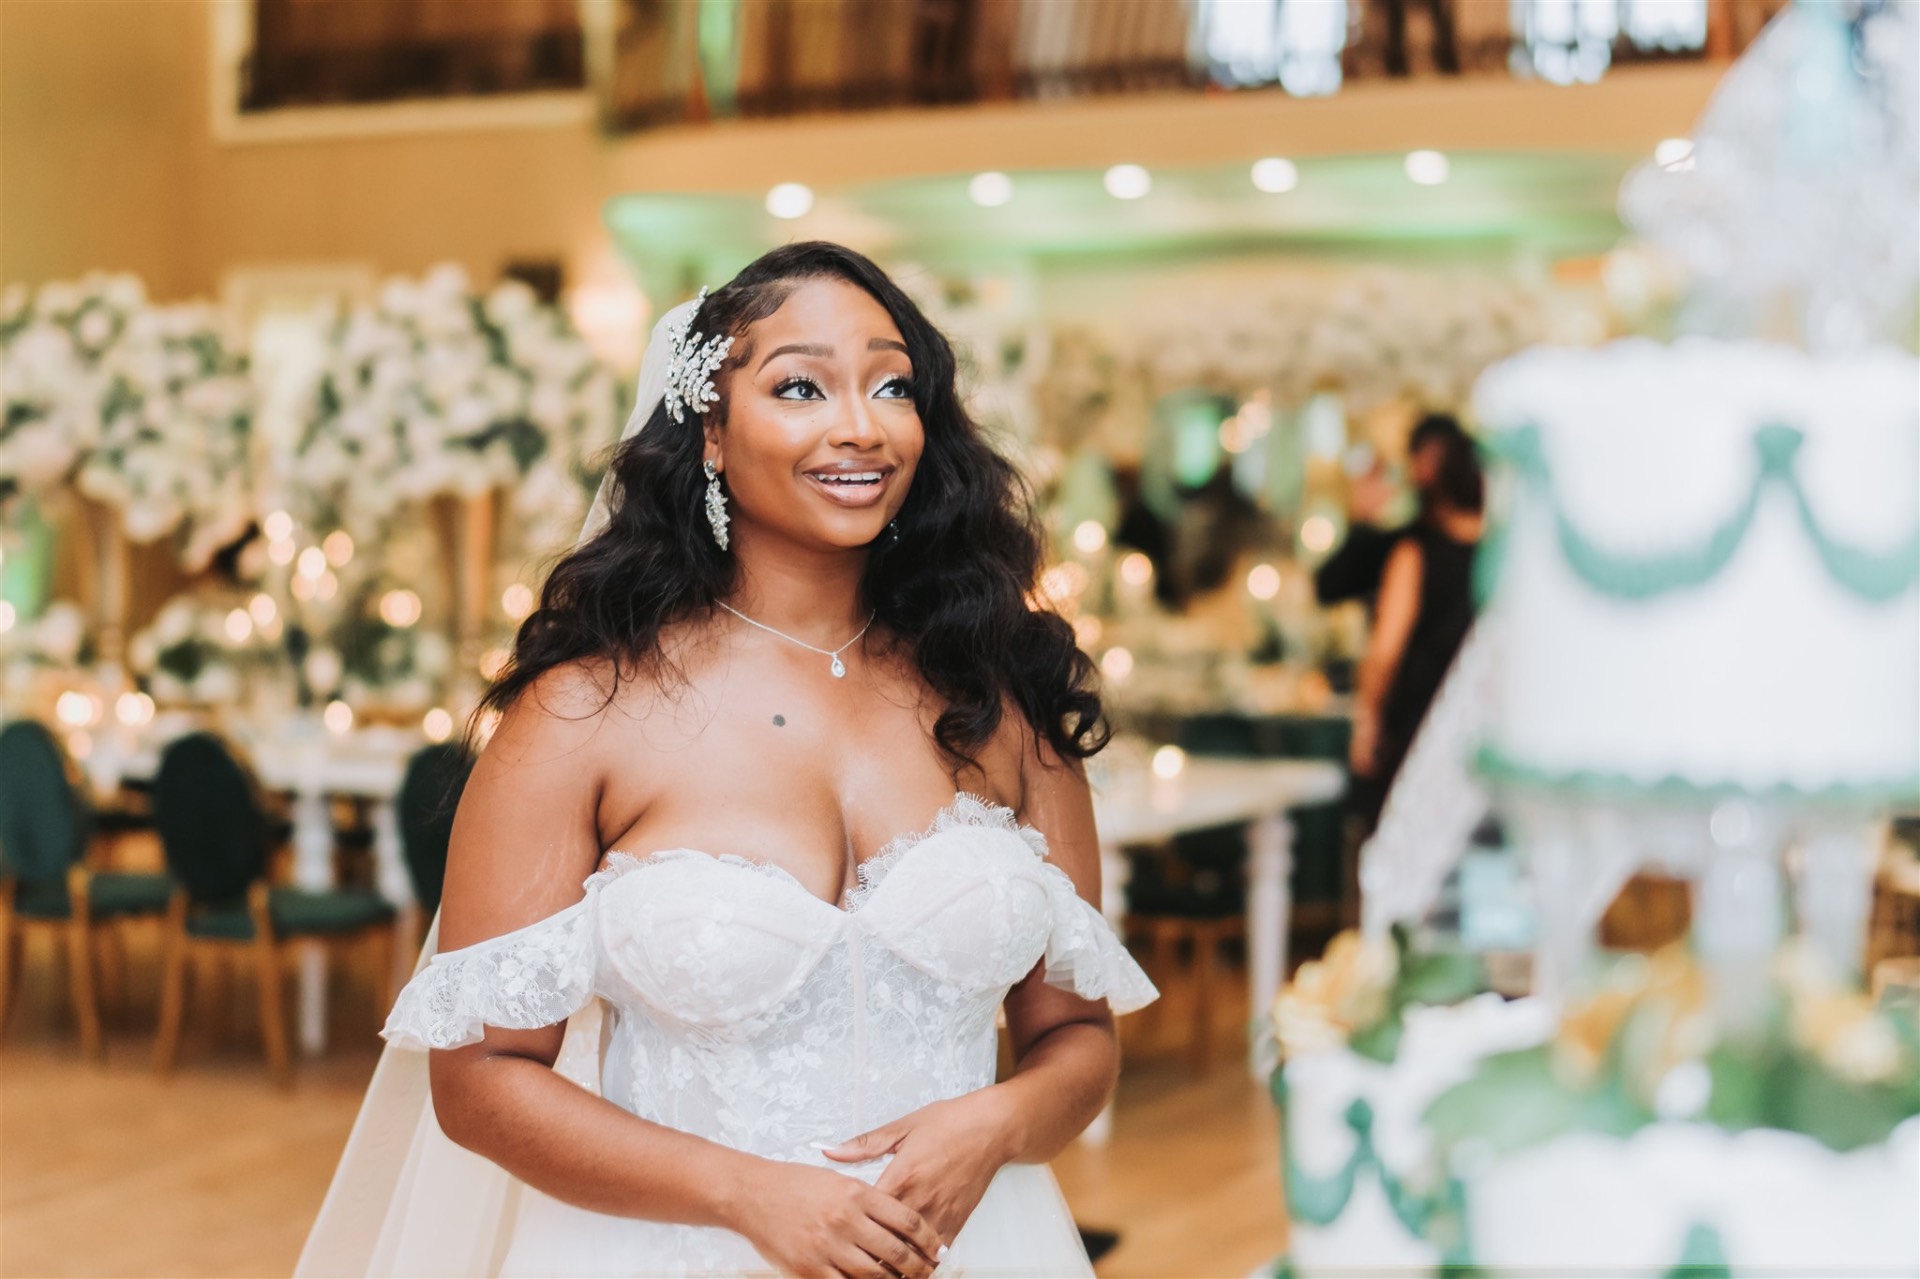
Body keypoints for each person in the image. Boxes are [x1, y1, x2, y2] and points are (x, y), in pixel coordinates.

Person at [297, 242, 1155, 1278]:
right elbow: (479, 1078)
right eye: (801, 386)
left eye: (892, 386)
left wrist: (999, 1122)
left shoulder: (1003, 693)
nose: (860, 425)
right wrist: (747, 1192)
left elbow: (1077, 1041)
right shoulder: (585, 712)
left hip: (969, 1247)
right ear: (710, 430)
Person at [1347, 414, 1484, 826]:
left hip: (1421, 720)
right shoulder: (1502, 551)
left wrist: (1367, 719)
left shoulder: (1415, 553)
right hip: (1478, 716)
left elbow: (1386, 648)